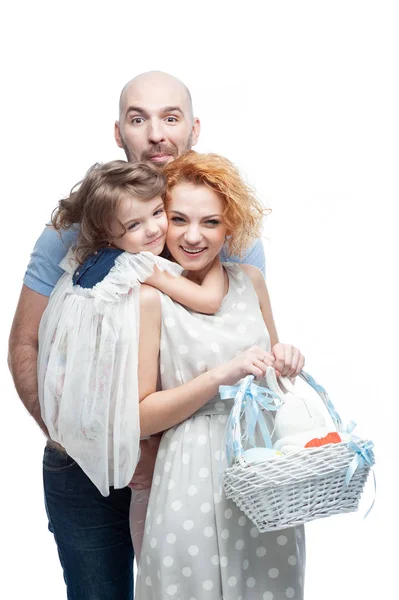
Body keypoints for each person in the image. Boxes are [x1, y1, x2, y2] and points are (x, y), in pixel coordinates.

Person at [7, 71, 266, 599]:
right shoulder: (73, 229)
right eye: (138, 118)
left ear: (194, 128)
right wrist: (78, 439)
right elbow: (25, 343)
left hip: (191, 464)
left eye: (170, 118)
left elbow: (250, 345)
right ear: (117, 132)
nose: (155, 134)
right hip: (81, 467)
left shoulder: (226, 229)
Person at [134, 151, 305, 599]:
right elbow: (141, 416)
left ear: (230, 226)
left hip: (263, 470)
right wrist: (219, 377)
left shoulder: (251, 279)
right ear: (161, 221)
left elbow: (272, 382)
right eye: (179, 219)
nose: (193, 236)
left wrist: (285, 358)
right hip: (187, 472)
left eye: (210, 222)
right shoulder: (150, 298)